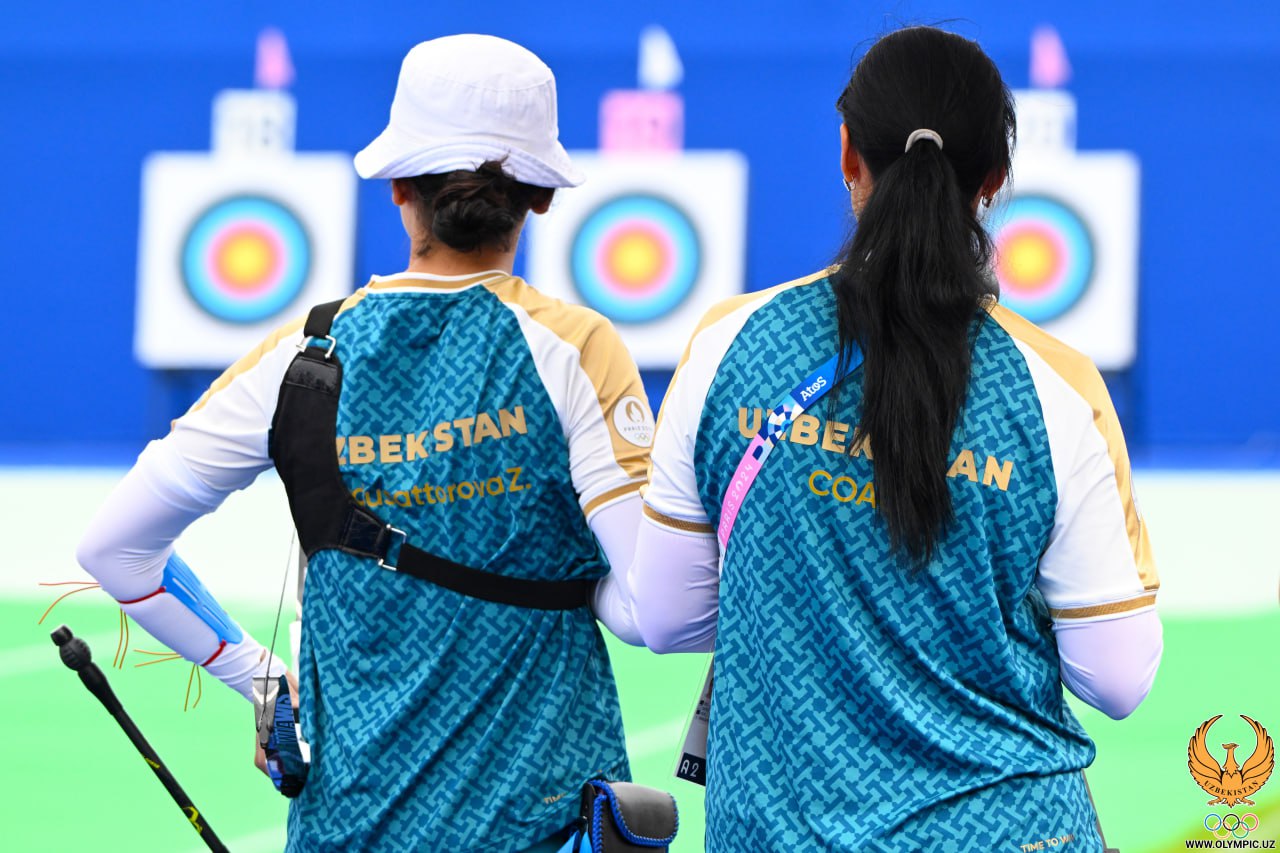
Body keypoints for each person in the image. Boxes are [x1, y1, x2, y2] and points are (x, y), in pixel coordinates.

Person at [77, 34, 653, 852]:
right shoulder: (575, 348)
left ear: (397, 187)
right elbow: (654, 609)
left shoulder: (300, 358)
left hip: (346, 827)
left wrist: (261, 681)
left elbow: (113, 549)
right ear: (539, 198)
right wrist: (581, 587)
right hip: (539, 823)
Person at [630, 26, 1162, 852]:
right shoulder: (1058, 389)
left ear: (848, 152)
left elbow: (667, 618)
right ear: (995, 178)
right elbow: (1119, 677)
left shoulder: (731, 345)